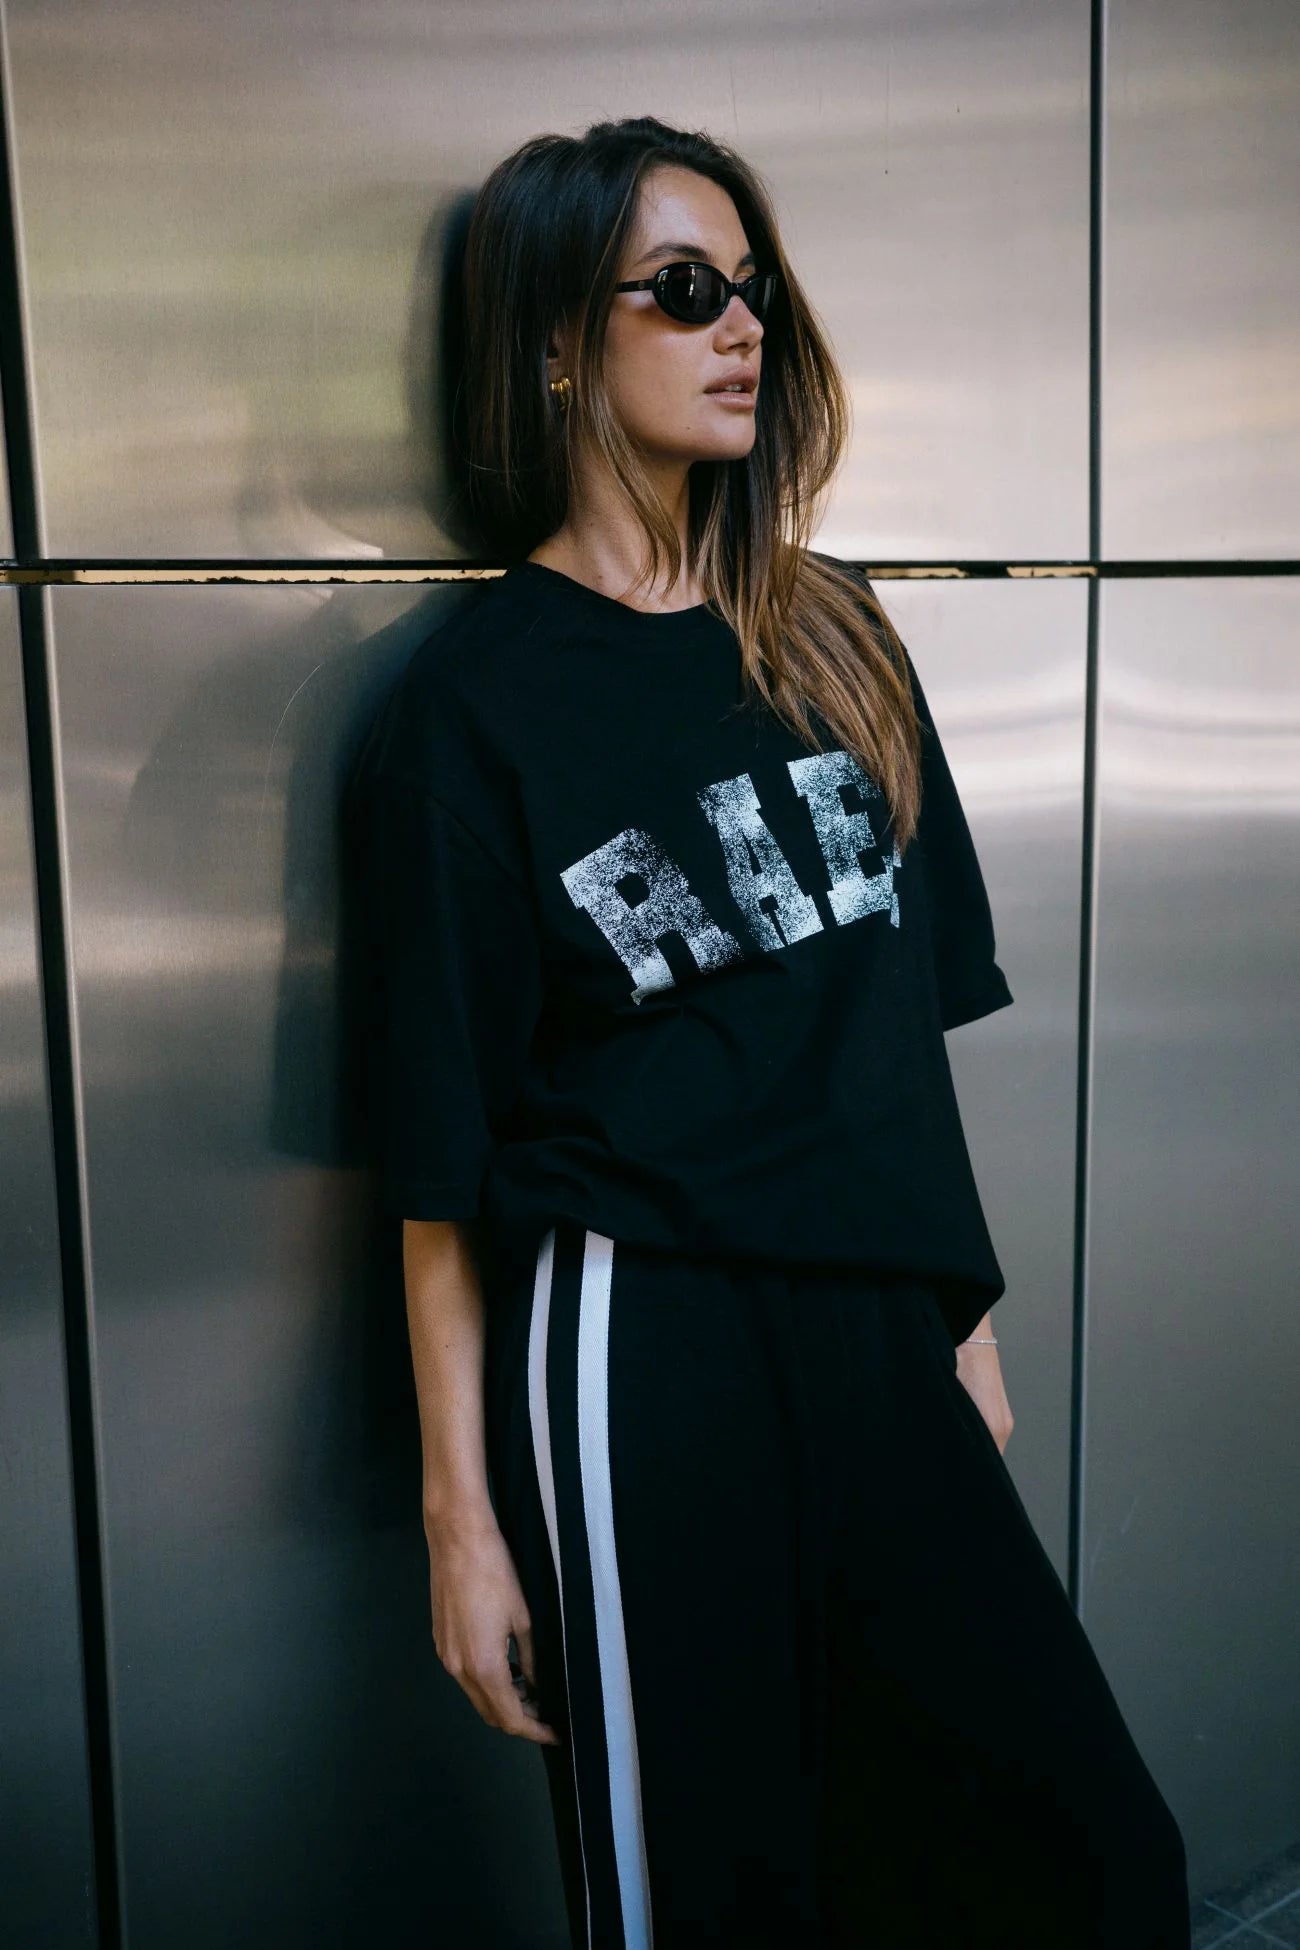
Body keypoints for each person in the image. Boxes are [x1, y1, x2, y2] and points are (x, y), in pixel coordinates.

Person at [354, 114, 1190, 1950]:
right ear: (558, 341)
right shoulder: (469, 710)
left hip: (879, 1327)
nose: (742, 326)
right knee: (718, 1898)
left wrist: (960, 1327)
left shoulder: (832, 631)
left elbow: (897, 1037)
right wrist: (463, 1522)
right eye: (683, 289)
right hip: (643, 1351)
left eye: (752, 288)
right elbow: (441, 1164)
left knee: (1093, 1862)